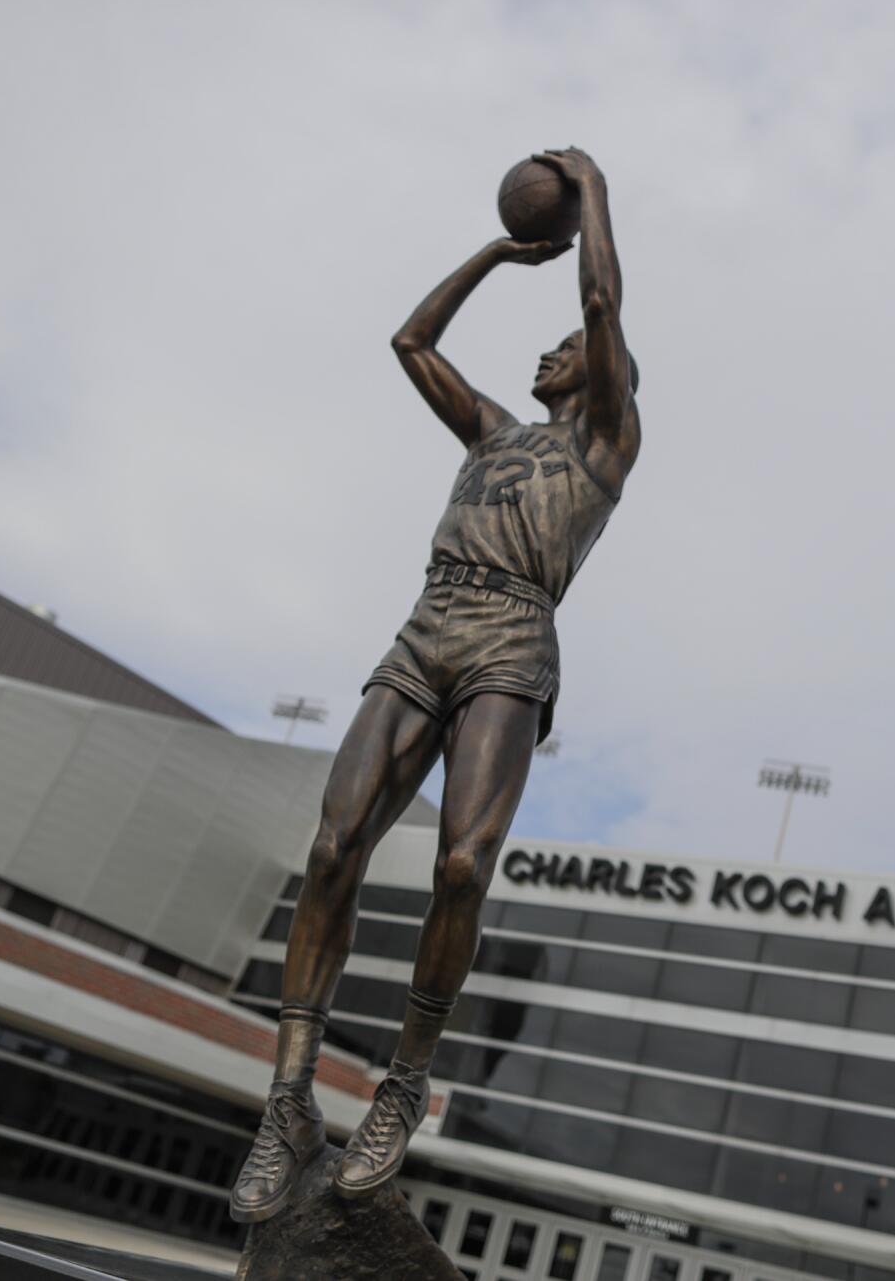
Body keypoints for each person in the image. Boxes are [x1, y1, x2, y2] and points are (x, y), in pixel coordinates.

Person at [230, 147, 638, 1222]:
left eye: (568, 349)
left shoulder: (603, 444)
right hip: (426, 626)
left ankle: (403, 1083)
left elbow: (599, 297)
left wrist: (591, 191)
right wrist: (498, 255)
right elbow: (411, 340)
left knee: (460, 864)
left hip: (509, 636)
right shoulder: (493, 432)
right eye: (549, 347)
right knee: (333, 847)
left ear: (601, 380)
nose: (552, 351)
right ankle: (287, 1099)